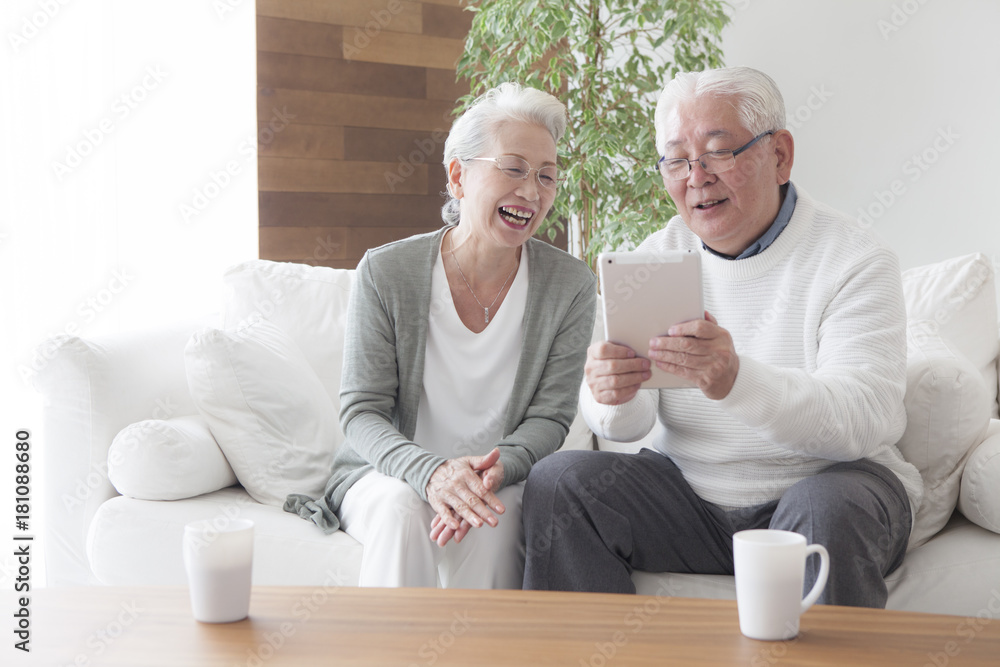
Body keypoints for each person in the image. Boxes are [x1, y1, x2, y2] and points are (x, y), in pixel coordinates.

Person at [521, 67, 922, 608]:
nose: (696, 177)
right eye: (676, 160)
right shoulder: (658, 254)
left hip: (830, 485)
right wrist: (612, 395)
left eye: (717, 152)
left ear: (780, 155)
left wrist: (736, 380)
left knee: (827, 508)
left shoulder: (854, 259)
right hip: (689, 496)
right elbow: (629, 424)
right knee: (560, 482)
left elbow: (864, 420)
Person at [285, 82, 597, 589]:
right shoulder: (388, 271)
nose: (532, 191)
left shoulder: (570, 284)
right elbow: (362, 410)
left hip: (498, 478)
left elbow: (550, 415)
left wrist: (489, 475)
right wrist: (430, 474)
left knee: (495, 522)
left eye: (547, 176)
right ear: (458, 176)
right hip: (387, 475)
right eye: (513, 168)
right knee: (402, 510)